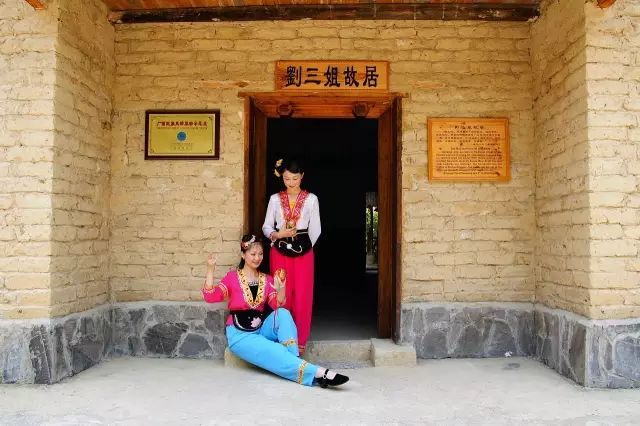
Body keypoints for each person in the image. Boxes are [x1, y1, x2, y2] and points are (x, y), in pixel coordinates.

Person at [202, 234, 348, 388]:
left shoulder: (267, 279)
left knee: (283, 314)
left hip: (260, 329)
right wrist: (210, 269)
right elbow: (210, 296)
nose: (257, 258)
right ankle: (317, 373)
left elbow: (277, 304)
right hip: (240, 335)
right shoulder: (232, 278)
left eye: (260, 254)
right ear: (243, 255)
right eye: (253, 254)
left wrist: (281, 288)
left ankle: (294, 360)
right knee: (274, 350)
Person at [262, 159, 320, 355]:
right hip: (279, 250)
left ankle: (300, 343)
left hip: (304, 251)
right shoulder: (274, 199)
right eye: (287, 178)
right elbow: (266, 226)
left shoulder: (311, 199)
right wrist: (278, 235)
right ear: (281, 177)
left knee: (303, 295)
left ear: (302, 176)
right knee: (281, 293)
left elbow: (316, 229)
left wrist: (304, 247)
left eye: (295, 178)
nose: (291, 182)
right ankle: (283, 340)